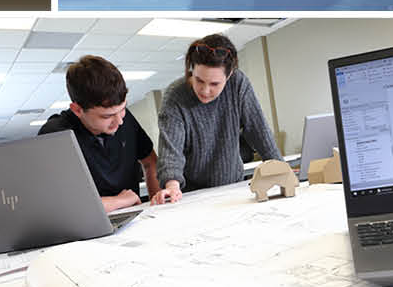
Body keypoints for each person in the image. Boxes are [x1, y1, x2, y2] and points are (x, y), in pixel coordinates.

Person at [152, 34, 281, 204]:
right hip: (193, 195)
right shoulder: (175, 97)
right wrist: (172, 186)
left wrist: (279, 169)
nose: (205, 91)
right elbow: (171, 151)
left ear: (228, 77)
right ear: (191, 69)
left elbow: (258, 130)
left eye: (214, 84)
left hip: (234, 186)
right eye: (199, 80)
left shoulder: (238, 84)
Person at [39, 55, 158, 212]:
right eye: (107, 116)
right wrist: (121, 200)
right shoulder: (56, 135)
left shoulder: (125, 118)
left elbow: (151, 162)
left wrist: (156, 204)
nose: (119, 122)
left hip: (134, 216)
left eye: (122, 109)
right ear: (78, 110)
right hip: (89, 230)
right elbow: (64, 206)